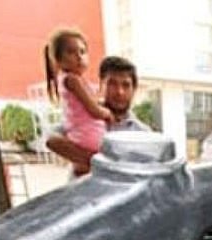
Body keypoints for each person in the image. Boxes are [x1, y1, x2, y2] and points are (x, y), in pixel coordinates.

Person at [46, 56, 150, 175]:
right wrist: (101, 162)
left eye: (126, 85)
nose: (119, 92)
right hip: (82, 192)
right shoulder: (84, 117)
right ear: (101, 85)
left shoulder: (143, 134)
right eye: (112, 83)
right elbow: (51, 140)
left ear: (134, 90)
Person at [44, 27, 114, 176]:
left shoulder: (72, 80)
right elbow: (94, 110)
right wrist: (107, 114)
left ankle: (82, 166)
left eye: (82, 52)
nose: (79, 56)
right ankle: (84, 165)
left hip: (79, 135)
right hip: (88, 136)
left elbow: (92, 102)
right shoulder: (72, 80)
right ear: (58, 59)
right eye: (71, 52)